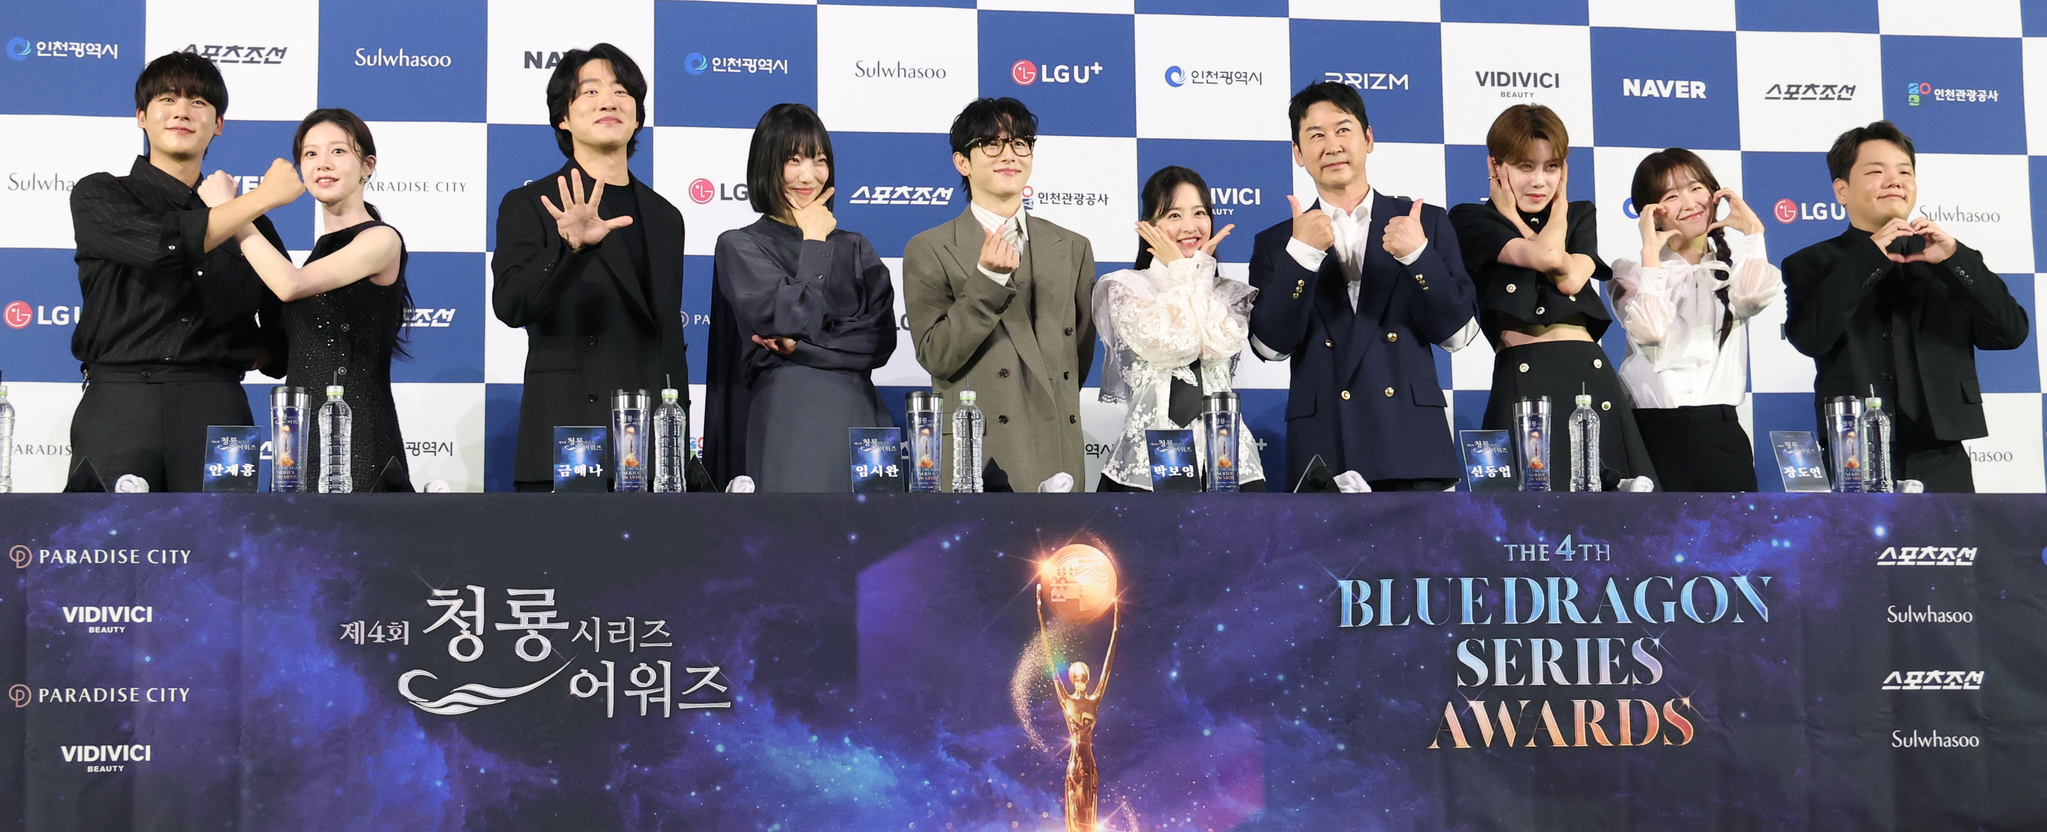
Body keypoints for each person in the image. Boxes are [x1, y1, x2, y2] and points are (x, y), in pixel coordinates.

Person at [67, 51, 301, 492]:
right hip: (119, 403)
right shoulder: (100, 194)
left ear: (218, 124)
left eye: (198, 102)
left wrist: (236, 353)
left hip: (218, 404)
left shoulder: (254, 226)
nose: (181, 111)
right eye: (167, 99)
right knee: (100, 550)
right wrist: (262, 197)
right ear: (141, 116)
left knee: (230, 552)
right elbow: (163, 246)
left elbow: (286, 326)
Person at [1248, 81, 1479, 491]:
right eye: (1315, 135)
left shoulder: (1425, 223)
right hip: (1324, 446)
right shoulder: (1278, 241)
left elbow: (1458, 335)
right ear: (1298, 154)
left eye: (1343, 129)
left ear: (1368, 138)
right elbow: (1270, 345)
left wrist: (1418, 256)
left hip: (1410, 444)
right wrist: (1300, 257)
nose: (1332, 145)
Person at [1783, 121, 2028, 492]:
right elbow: (1811, 339)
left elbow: (2011, 332)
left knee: (1954, 548)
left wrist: (1954, 260)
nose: (1894, 181)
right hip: (1854, 454)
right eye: (1876, 172)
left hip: (1942, 452)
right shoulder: (1812, 263)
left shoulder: (1948, 258)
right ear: (1842, 190)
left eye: (1904, 172)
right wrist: (1868, 259)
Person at [491, 44, 689, 492]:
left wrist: (677, 445)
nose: (608, 101)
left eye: (621, 91)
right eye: (590, 91)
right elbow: (510, 305)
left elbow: (667, 339)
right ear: (563, 117)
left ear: (637, 115)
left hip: (652, 448)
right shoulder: (530, 203)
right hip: (569, 430)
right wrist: (570, 250)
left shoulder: (665, 216)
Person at [1449, 104, 1657, 490]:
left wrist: (1560, 208)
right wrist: (1513, 219)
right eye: (1526, 167)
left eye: (1552, 167)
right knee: (1521, 524)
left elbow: (1572, 280)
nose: (1540, 181)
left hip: (1590, 378)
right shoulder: (1469, 219)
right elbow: (1546, 257)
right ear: (1495, 166)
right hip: (1524, 377)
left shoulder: (1578, 214)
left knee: (1623, 521)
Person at [903, 97, 1095, 491]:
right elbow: (937, 355)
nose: (1009, 155)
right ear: (962, 162)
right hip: (978, 456)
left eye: (1020, 143)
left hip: (1057, 451)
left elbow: (1078, 357)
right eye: (992, 144)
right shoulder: (930, 248)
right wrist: (987, 281)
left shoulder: (1073, 247)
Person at [705, 104, 896, 492]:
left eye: (819, 160)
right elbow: (791, 318)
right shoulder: (739, 245)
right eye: (793, 160)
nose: (808, 175)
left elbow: (878, 342)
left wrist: (802, 348)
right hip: (789, 419)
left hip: (862, 417)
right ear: (767, 164)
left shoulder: (856, 246)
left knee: (880, 545)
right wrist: (813, 240)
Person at [232, 109, 412, 492]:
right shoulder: (321, 253)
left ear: (368, 165)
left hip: (358, 434)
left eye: (338, 152)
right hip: (300, 439)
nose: (323, 164)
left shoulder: (381, 240)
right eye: (310, 154)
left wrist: (233, 214)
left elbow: (290, 284)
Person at [1609, 149, 1781, 492]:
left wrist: (1754, 232)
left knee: (1734, 543)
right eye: (1671, 196)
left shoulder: (1732, 272)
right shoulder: (1630, 273)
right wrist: (1650, 255)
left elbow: (1753, 297)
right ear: (1652, 213)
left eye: (1696, 188)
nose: (1689, 202)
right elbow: (1652, 332)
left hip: (1720, 434)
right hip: (1651, 436)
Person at [1094, 166, 1264, 492]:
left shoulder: (1230, 293)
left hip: (1227, 458)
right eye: (1174, 215)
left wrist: (1197, 274)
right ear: (1149, 226)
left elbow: (1215, 345)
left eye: (1199, 213)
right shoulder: (1125, 287)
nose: (1190, 226)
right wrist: (1182, 271)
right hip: (1148, 461)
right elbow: (1177, 345)